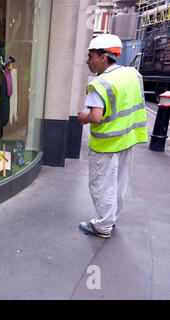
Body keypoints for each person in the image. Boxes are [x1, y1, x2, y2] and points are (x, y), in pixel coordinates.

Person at [77, 34, 148, 239]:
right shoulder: (133, 74)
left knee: (101, 185)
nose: (88, 61)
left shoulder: (100, 84)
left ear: (104, 56)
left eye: (90, 56)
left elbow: (96, 117)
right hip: (128, 139)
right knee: (119, 184)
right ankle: (111, 219)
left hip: (107, 144)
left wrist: (84, 116)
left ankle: (103, 227)